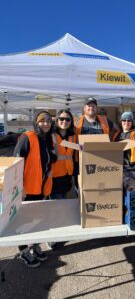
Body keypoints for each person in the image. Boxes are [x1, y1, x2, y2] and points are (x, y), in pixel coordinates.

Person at [14, 110, 56, 268]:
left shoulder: (45, 138)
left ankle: (34, 246)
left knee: (38, 219)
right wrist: (20, 187)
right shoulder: (28, 137)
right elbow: (16, 162)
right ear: (36, 122)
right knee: (24, 221)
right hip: (28, 188)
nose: (46, 123)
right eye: (42, 121)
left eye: (48, 121)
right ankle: (23, 251)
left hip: (41, 187)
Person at [50, 109, 76, 199]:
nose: (64, 121)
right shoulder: (51, 134)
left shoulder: (73, 136)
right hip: (54, 176)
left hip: (67, 175)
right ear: (57, 120)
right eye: (61, 119)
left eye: (68, 119)